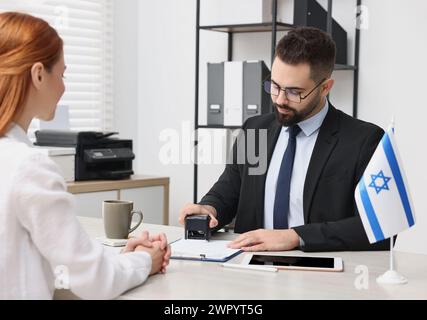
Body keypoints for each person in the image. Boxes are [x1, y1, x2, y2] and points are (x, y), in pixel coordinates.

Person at [0, 12, 170, 300]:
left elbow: (46, 256)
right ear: (38, 74)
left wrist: (113, 258)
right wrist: (146, 260)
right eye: (62, 74)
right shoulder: (28, 166)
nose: (64, 87)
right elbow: (95, 282)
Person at [180, 27, 389, 252]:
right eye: (275, 86)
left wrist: (296, 237)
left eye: (294, 92)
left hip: (321, 275)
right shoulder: (254, 129)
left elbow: (380, 228)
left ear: (325, 87)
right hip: (250, 269)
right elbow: (229, 190)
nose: (279, 99)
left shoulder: (364, 141)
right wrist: (209, 209)